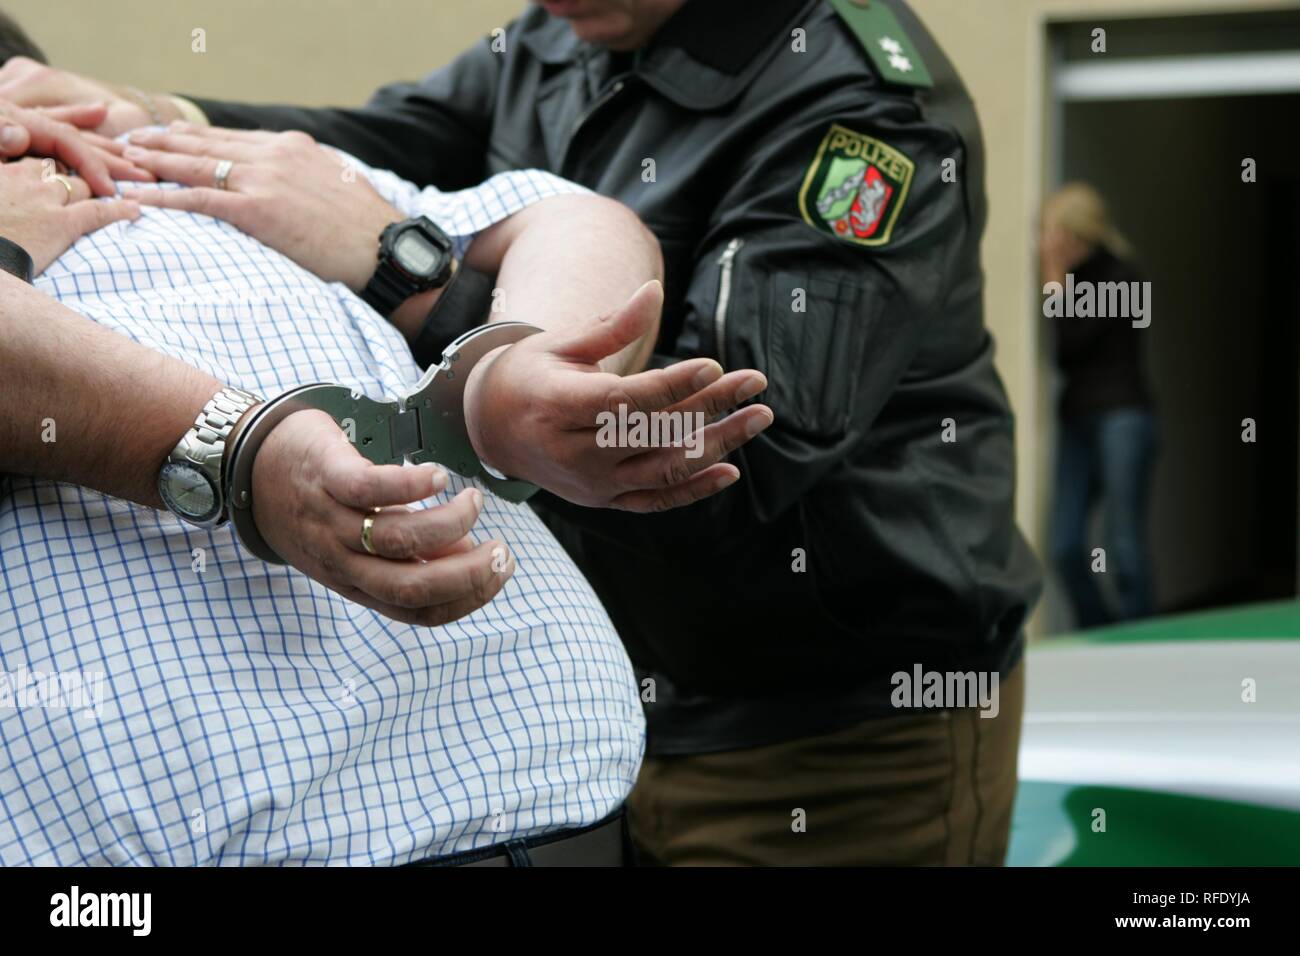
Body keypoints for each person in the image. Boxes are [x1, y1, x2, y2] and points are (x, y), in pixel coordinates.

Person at [1, 0, 1042, 865]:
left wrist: (424, 293)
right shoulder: (576, 26)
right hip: (631, 722)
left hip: (828, 725)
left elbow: (732, 440)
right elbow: (383, 144)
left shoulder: (858, 115)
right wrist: (157, 120)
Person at [1040, 182, 1158, 627]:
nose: (1047, 245)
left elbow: (1072, 342)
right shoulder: (1073, 281)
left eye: (1054, 234)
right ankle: (1102, 631)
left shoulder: (1124, 277)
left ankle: (1142, 637)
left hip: (1123, 418)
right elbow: (1063, 354)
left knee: (1123, 542)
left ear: (1077, 233)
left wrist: (1053, 283)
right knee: (1065, 545)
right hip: (1077, 419)